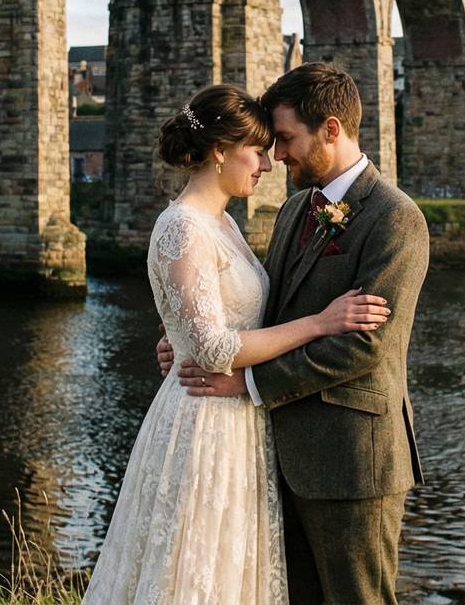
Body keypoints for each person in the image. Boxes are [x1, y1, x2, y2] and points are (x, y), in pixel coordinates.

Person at [85, 83, 391, 605]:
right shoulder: (182, 226)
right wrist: (320, 322)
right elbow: (213, 347)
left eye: (275, 147)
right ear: (221, 150)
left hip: (241, 416)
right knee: (194, 572)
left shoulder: (224, 222)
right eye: (258, 152)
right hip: (207, 420)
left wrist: (180, 339)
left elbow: (219, 317)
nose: (269, 164)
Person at [167, 63, 430, 605]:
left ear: (331, 129)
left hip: (353, 460)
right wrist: (192, 335)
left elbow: (363, 345)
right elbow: (268, 314)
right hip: (278, 454)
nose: (276, 155)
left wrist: (247, 383)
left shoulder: (396, 218)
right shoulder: (292, 211)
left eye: (285, 140)